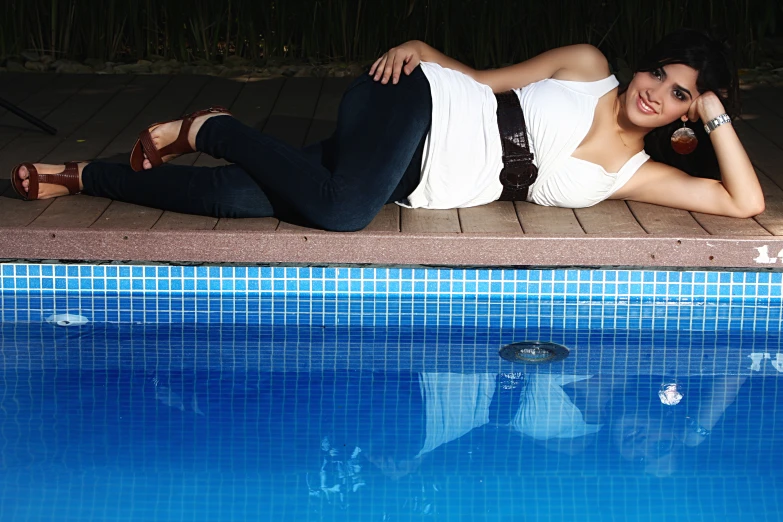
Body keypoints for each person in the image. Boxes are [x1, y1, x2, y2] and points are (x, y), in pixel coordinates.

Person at [11, 29, 764, 231]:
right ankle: (213, 124)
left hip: (405, 175)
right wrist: (418, 48)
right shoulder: (588, 66)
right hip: (415, 104)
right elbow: (477, 81)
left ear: (688, 116)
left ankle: (82, 176)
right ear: (641, 66)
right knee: (340, 213)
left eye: (678, 98)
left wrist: (720, 111)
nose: (653, 94)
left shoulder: (632, 174)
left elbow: (743, 205)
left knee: (242, 201)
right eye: (658, 74)